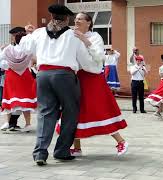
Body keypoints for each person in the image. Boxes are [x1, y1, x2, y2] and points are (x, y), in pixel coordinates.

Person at [20, 4, 104, 165]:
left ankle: (40, 153)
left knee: (45, 114)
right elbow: (86, 63)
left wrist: (28, 33)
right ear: (67, 19)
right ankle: (61, 151)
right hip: (65, 76)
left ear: (51, 17)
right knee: (70, 112)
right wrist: (96, 67)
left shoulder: (38, 33)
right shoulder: (75, 36)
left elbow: (25, 49)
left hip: (43, 75)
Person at [56, 12, 128, 157]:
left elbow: (99, 57)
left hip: (93, 78)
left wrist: (84, 40)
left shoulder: (95, 37)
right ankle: (77, 148)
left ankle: (121, 142)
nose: (76, 21)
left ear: (88, 23)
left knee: (99, 110)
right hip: (76, 77)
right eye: (75, 19)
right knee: (74, 111)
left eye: (80, 19)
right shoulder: (71, 35)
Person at [0, 26, 36, 133]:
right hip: (24, 75)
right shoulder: (28, 50)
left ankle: (7, 122)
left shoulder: (8, 49)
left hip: (11, 75)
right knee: (25, 99)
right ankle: (28, 123)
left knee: (9, 98)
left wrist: (9, 66)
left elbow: (2, 62)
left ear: (15, 38)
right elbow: (33, 60)